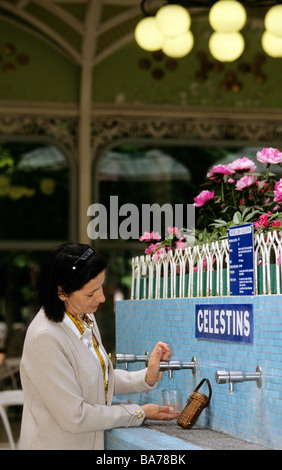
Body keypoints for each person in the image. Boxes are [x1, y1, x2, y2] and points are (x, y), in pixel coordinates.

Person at [19, 243, 179, 450]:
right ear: (61, 292)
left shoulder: (85, 317)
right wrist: (139, 412)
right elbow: (75, 416)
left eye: (101, 286)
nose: (102, 298)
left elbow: (96, 380)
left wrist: (146, 377)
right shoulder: (45, 337)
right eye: (91, 293)